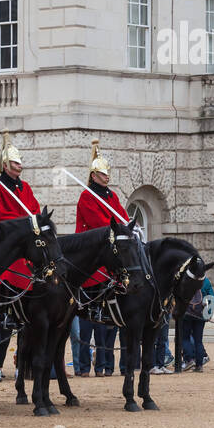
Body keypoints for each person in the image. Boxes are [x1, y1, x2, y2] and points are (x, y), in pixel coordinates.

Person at [0, 130, 41, 381]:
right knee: (4, 319)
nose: (20, 166)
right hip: (4, 253)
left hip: (23, 254)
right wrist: (23, 223)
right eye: (15, 163)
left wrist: (32, 221)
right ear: (5, 165)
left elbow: (35, 209)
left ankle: (22, 365)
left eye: (20, 162)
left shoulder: (24, 187)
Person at [74, 138, 129, 374]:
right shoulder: (87, 197)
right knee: (87, 321)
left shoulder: (111, 196)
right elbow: (99, 225)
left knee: (109, 322)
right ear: (94, 175)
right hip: (91, 264)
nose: (107, 177)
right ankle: (84, 366)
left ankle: (106, 365)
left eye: (108, 174)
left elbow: (122, 217)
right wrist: (118, 226)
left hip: (110, 264)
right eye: (103, 174)